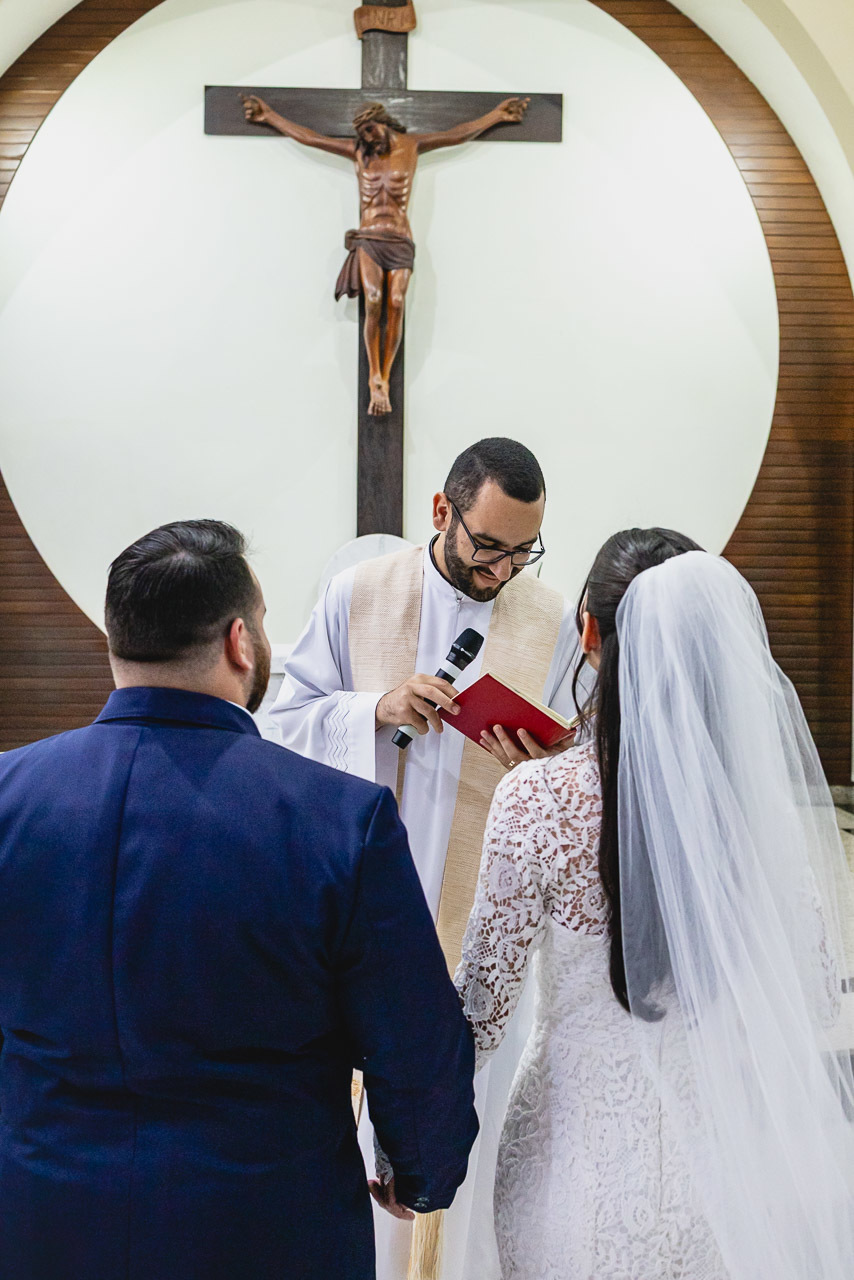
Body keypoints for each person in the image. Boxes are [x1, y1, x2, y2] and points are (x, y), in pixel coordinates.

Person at [0, 519, 478, 1280]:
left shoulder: (10, 796)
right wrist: (421, 1171)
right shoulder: (339, 819)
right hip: (266, 1227)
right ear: (240, 643)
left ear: (115, 640)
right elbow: (415, 1042)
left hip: (41, 1221)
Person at [456, 528, 854, 1280]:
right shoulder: (756, 808)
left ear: (589, 634)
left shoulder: (538, 800)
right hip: (731, 1191)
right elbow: (810, 994)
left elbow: (476, 1017)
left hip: (574, 1182)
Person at [271, 437, 589, 1279]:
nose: (503, 572)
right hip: (360, 907)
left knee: (459, 1115)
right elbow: (278, 721)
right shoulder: (358, 594)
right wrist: (373, 708)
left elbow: (579, 762)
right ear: (443, 513)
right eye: (489, 547)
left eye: (525, 552)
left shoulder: (550, 621)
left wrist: (543, 765)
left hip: (481, 916)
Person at [239, 95, 528, 415]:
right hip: (369, 239)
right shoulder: (359, 152)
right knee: (374, 300)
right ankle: (375, 377)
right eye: (361, 133)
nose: (367, 138)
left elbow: (458, 133)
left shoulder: (412, 146)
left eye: (370, 130)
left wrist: (496, 116)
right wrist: (270, 117)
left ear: (383, 122)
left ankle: (386, 374)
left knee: (397, 303)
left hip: (400, 239)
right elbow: (312, 138)